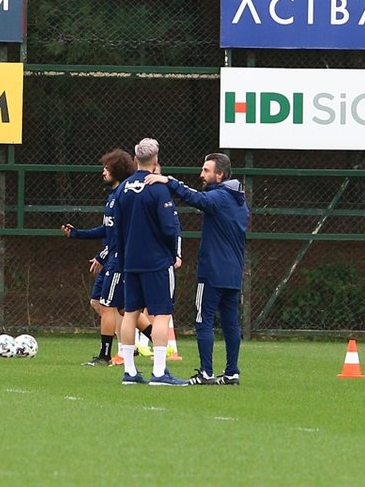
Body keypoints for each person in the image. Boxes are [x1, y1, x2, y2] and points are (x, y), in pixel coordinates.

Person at [145, 152, 249, 385]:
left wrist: (168, 181)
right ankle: (232, 372)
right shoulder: (239, 200)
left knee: (204, 321)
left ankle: (206, 372)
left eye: (206, 170)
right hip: (233, 273)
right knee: (231, 324)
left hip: (213, 271)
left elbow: (196, 199)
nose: (201, 174)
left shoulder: (220, 197)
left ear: (219, 175)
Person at [61, 149, 154, 366]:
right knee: (115, 306)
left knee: (108, 306)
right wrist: (77, 234)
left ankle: (105, 355)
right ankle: (158, 341)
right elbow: (108, 230)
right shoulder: (113, 197)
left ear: (118, 170)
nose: (103, 172)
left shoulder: (123, 195)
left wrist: (103, 256)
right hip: (113, 257)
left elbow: (119, 235)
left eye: (107, 168)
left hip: (119, 260)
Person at [114, 138, 186, 386]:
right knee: (162, 313)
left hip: (130, 260)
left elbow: (117, 228)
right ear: (156, 161)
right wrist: (172, 253)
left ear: (135, 160)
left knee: (130, 313)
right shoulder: (157, 188)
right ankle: (158, 372)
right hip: (155, 261)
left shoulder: (123, 188)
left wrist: (123, 258)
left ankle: (130, 372)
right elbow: (169, 227)